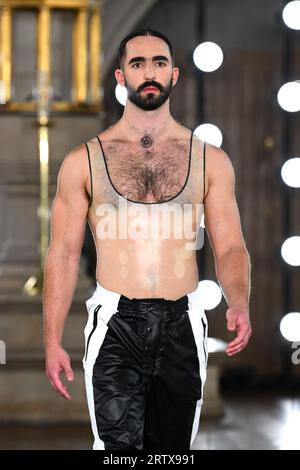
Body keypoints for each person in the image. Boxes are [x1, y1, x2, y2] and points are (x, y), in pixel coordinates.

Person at [43, 28, 252, 451]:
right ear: (121, 76)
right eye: (137, 63)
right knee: (118, 453)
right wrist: (51, 339)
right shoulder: (83, 160)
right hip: (115, 322)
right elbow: (62, 255)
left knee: (173, 452)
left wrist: (240, 301)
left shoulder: (209, 159)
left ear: (174, 74)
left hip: (183, 322)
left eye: (159, 62)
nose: (149, 72)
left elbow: (230, 246)